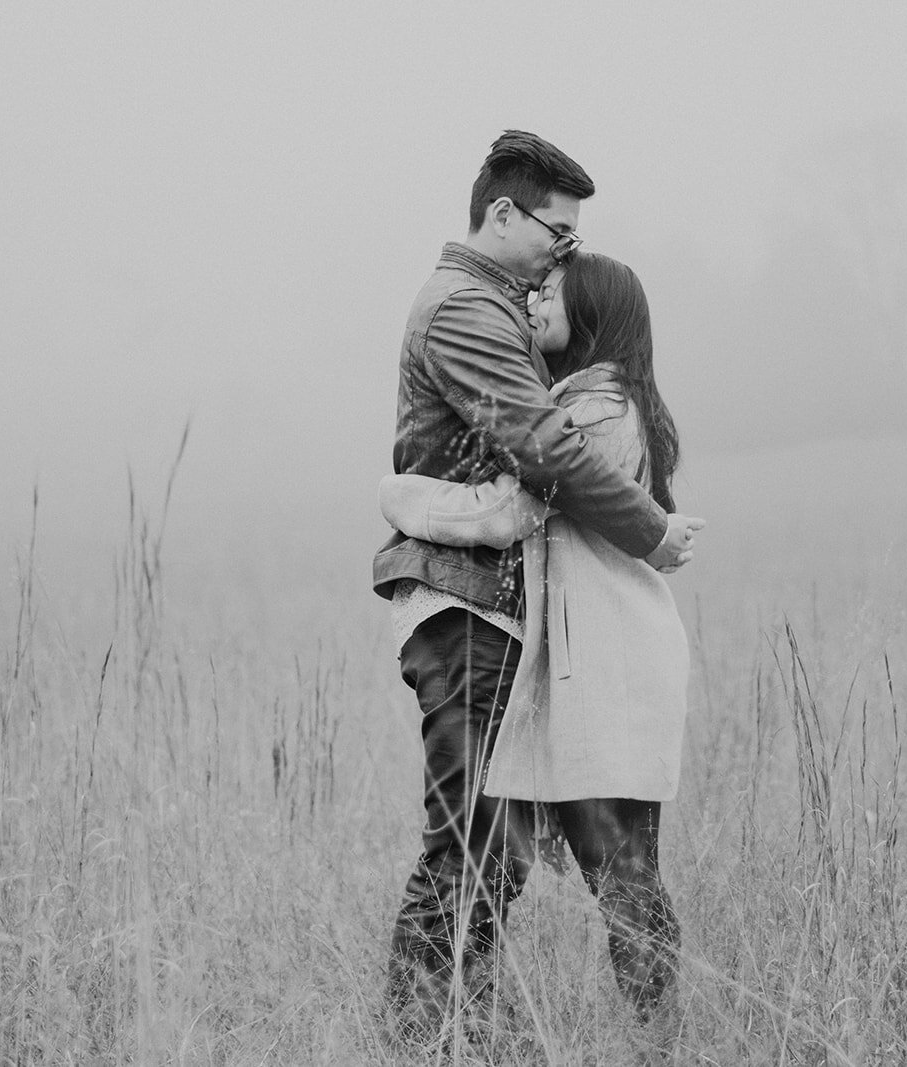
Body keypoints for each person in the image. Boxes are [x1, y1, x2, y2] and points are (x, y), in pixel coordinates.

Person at [372, 130, 704, 1041]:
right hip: (473, 612)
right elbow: (543, 449)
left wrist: (407, 495)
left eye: (571, 252)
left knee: (505, 852)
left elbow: (549, 459)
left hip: (527, 630)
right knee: (474, 846)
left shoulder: (544, 351)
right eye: (555, 234)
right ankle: (423, 1035)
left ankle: (454, 1034)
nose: (562, 254)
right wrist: (652, 529)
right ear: (502, 214)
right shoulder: (467, 311)